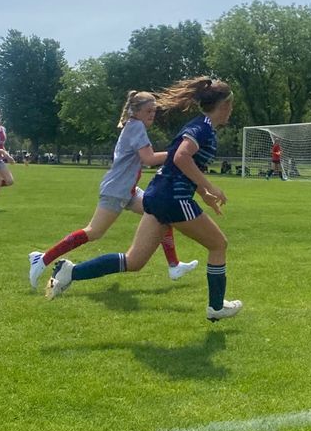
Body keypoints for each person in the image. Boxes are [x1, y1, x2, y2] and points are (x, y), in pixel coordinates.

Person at [46, 77, 242, 322]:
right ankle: (215, 307)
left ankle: (70, 272)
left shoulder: (203, 127)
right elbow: (181, 157)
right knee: (218, 245)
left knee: (134, 261)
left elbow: (178, 165)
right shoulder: (201, 127)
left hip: (157, 195)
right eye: (230, 106)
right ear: (223, 105)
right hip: (172, 198)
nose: (231, 111)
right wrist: (210, 185)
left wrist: (205, 194)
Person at [28, 90, 198, 288]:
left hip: (128, 190)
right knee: (94, 232)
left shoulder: (134, 125)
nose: (153, 114)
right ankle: (41, 260)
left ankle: (174, 265)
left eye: (155, 110)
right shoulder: (136, 127)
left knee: (162, 215)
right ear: (136, 111)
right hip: (117, 190)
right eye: (149, 110)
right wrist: (179, 153)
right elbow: (149, 159)